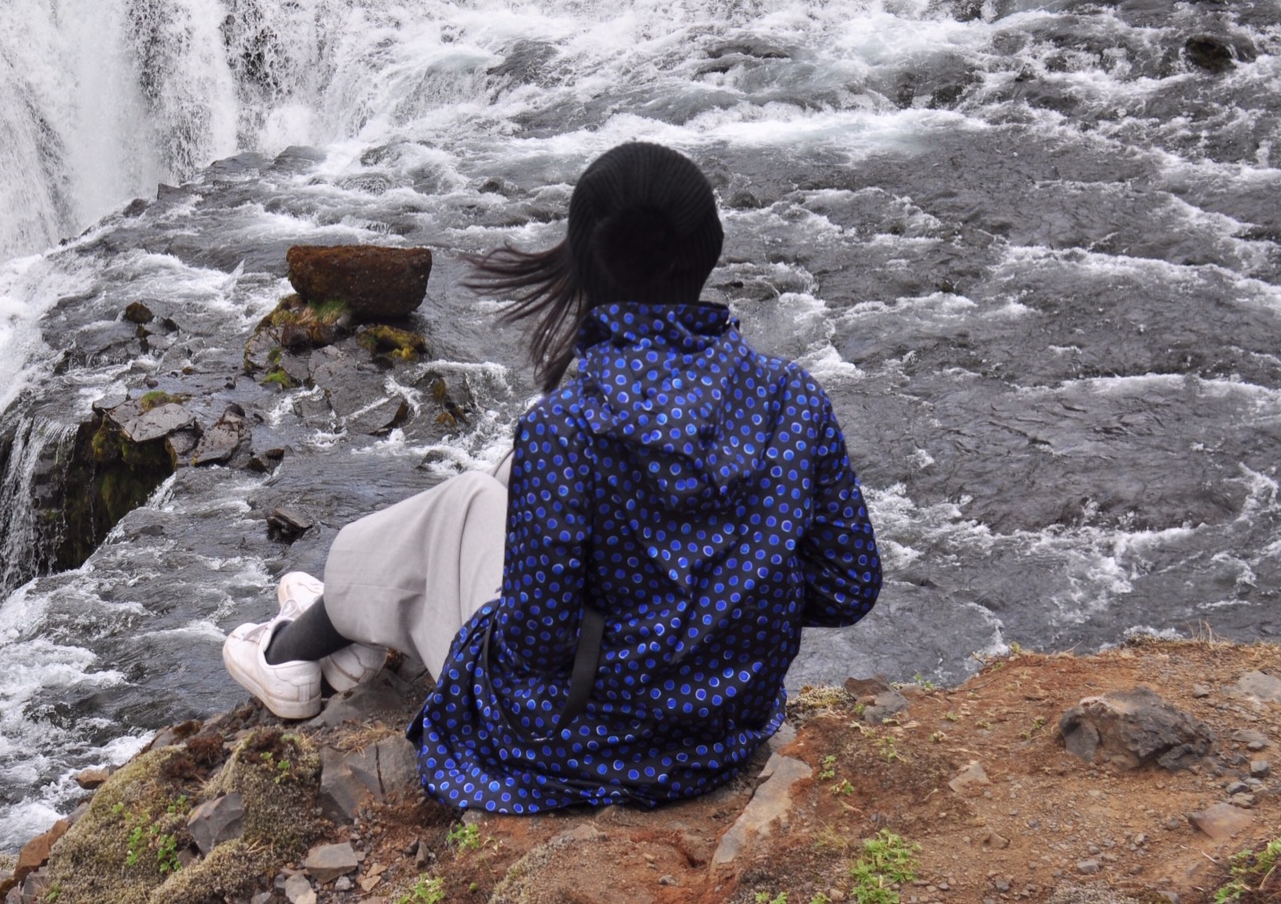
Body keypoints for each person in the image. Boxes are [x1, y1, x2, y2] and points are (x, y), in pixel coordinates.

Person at [221, 141, 881, 813]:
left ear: (584, 260)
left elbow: (533, 651)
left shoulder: (569, 424)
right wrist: (724, 606)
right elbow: (850, 587)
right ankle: (345, 621)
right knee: (503, 480)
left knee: (467, 499)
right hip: (724, 731)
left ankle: (295, 645)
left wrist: (634, 622)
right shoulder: (792, 397)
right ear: (709, 248)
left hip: (578, 750)